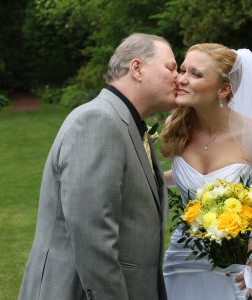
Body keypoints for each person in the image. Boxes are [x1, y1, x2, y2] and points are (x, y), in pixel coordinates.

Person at [18, 33, 178, 300]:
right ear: (137, 68)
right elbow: (92, 235)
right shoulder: (98, 121)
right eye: (170, 68)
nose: (179, 77)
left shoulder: (126, 122)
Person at [161, 44, 252, 299]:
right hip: (181, 260)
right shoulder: (180, 127)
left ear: (223, 89)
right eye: (183, 70)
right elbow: (193, 180)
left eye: (195, 74)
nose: (181, 79)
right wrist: (149, 178)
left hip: (233, 265)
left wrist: (246, 253)